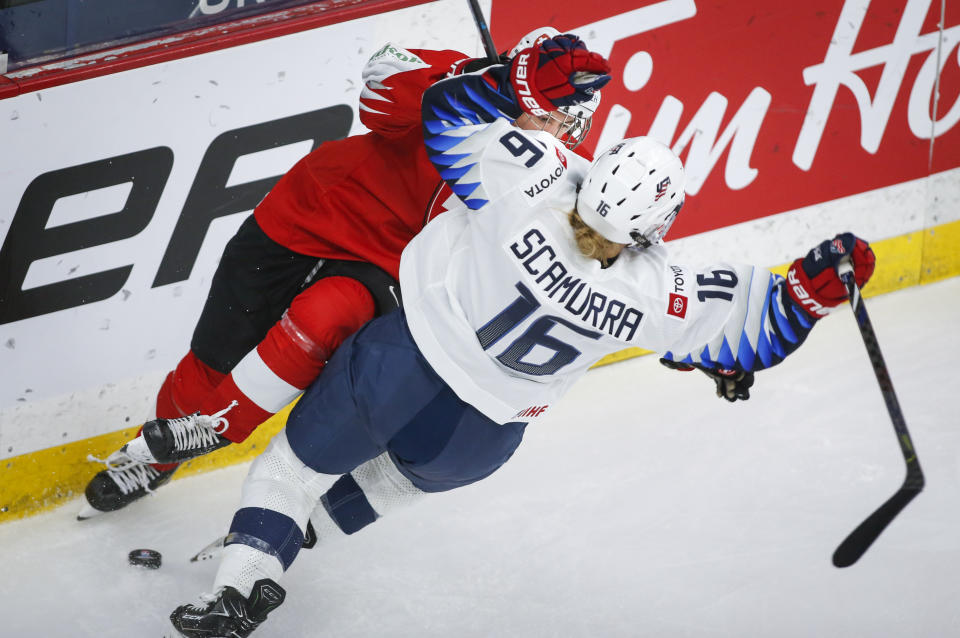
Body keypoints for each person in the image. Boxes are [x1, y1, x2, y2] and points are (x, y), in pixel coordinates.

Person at [162, 35, 874, 636]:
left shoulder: (531, 180)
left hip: (402, 364)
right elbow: (755, 331)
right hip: (482, 437)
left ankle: (242, 581)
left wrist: (519, 80)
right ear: (658, 225)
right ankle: (306, 533)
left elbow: (447, 115)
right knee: (393, 481)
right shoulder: (661, 288)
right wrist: (814, 289)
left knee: (290, 471)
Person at [78, 27, 603, 520]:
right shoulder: (460, 83)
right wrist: (470, 83)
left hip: (390, 267)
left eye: (569, 122)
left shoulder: (562, 171)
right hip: (305, 215)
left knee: (326, 315)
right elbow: (377, 96)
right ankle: (156, 459)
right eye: (550, 114)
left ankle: (223, 430)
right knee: (212, 360)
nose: (559, 133)